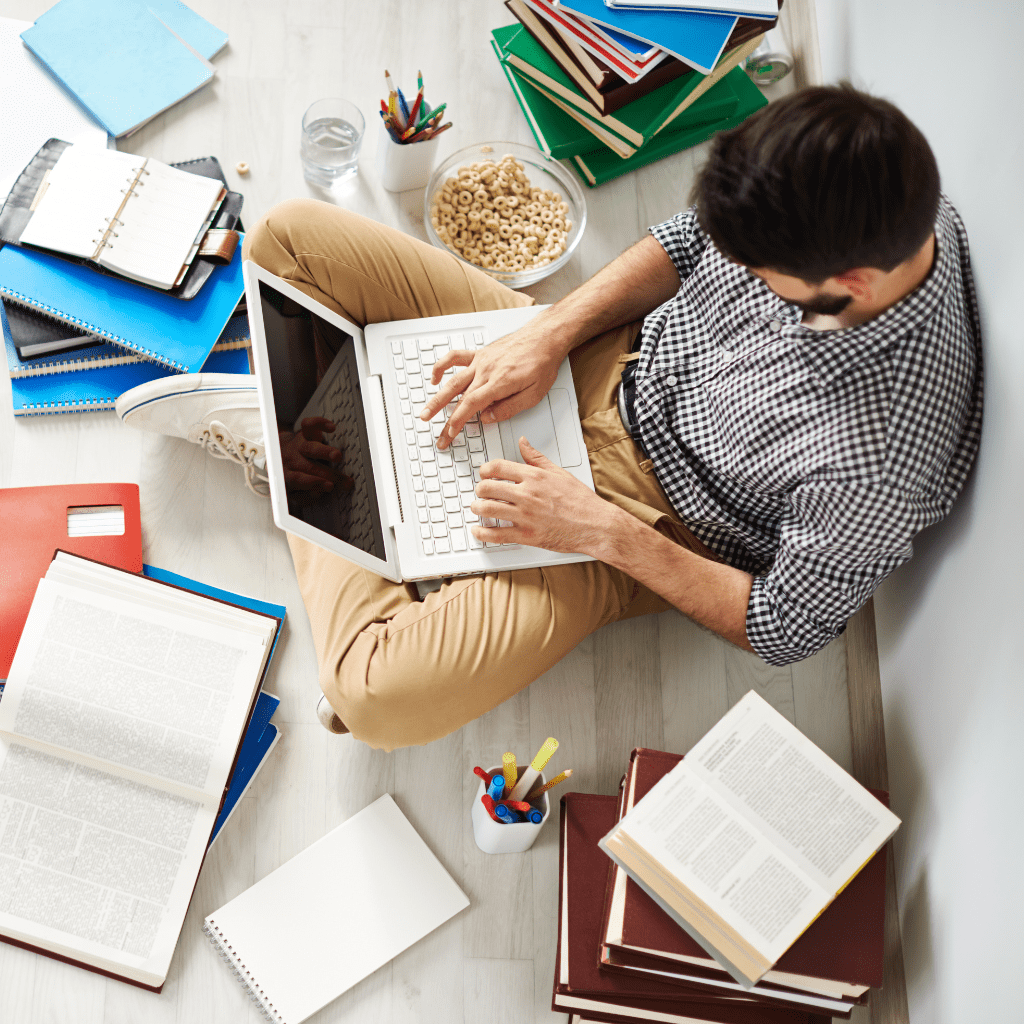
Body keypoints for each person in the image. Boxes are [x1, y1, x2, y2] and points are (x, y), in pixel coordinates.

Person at [118, 85, 982, 751]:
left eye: (759, 274)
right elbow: (685, 245)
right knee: (287, 237)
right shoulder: (866, 185)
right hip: (600, 355)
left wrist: (601, 531)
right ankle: (360, 475)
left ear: (853, 287)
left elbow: (783, 626)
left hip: (640, 517)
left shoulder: (882, 456)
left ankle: (298, 454)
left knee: (373, 696)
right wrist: (550, 329)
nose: (738, 271)